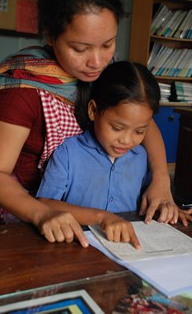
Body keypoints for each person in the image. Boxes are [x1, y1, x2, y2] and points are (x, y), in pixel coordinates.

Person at [0, 0, 192, 246]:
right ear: (50, 35)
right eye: (80, 49)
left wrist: (161, 181)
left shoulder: (108, 73)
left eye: (107, 44)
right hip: (27, 224)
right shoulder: (22, 89)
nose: (97, 61)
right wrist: (42, 213)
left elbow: (145, 126)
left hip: (92, 226)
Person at [37, 61, 161, 249]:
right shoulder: (69, 153)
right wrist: (101, 217)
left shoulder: (141, 156)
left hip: (128, 248)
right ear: (93, 111)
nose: (127, 140)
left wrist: (165, 208)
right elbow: (45, 203)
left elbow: (150, 201)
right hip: (76, 246)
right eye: (117, 128)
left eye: (139, 131)